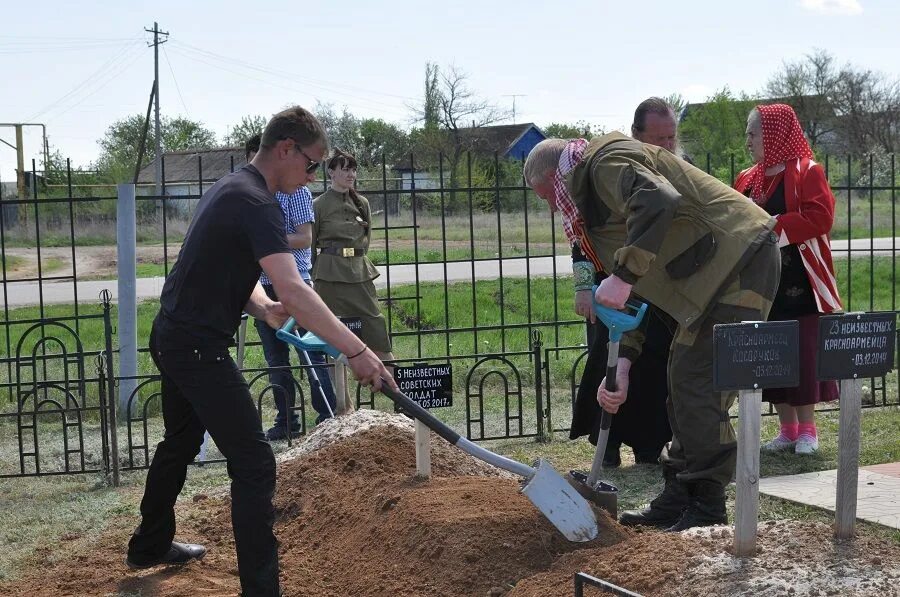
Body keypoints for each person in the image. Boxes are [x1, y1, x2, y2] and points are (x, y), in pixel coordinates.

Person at [125, 107, 395, 597]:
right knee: (253, 461)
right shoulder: (256, 202)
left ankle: (149, 545)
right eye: (312, 164)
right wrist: (356, 351)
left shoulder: (234, 189)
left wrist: (261, 306)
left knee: (180, 444)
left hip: (173, 334)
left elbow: (223, 266)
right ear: (286, 149)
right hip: (196, 347)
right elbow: (296, 290)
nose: (313, 176)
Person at [524, 133, 781, 532]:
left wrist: (624, 276)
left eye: (546, 195)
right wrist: (624, 361)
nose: (551, 206)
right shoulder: (594, 194)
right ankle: (680, 492)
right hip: (710, 279)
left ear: (555, 176)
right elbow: (639, 285)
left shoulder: (603, 163)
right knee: (681, 383)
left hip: (739, 263)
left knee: (698, 384)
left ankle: (708, 505)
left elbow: (658, 198)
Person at [734, 104, 841, 455]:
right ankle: (787, 430)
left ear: (775, 133)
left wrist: (770, 228)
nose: (748, 140)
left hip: (801, 280)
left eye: (754, 133)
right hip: (764, 283)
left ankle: (808, 430)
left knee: (803, 353)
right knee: (773, 353)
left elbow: (820, 217)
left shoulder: (808, 171)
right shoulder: (747, 178)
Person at [244, 134, 338, 440]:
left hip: (295, 282)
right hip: (261, 287)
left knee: (310, 354)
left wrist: (266, 241)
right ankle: (286, 421)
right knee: (276, 360)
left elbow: (304, 238)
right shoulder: (252, 195)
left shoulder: (295, 192)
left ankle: (328, 417)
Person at [312, 150, 395, 407]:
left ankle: (399, 398)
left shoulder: (363, 204)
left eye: (353, 169)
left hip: (359, 272)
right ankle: (341, 406)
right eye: (344, 169)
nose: (350, 174)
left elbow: (366, 241)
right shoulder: (319, 205)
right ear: (331, 172)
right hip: (329, 276)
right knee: (330, 337)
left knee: (376, 327)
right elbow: (311, 244)